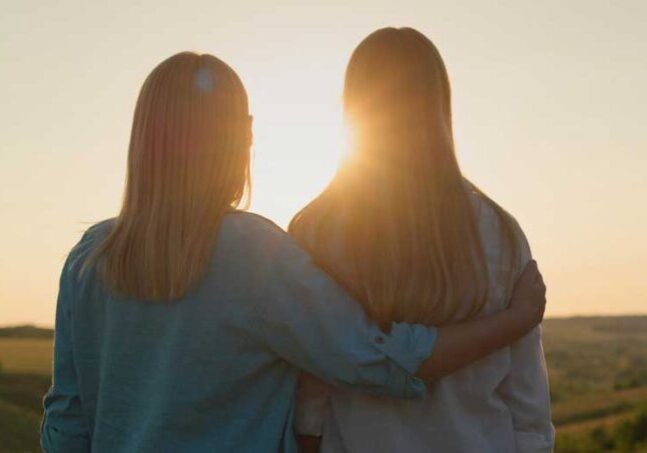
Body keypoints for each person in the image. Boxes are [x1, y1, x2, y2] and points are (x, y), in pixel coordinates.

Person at [41, 52, 546, 453]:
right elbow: (381, 362)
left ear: (143, 140)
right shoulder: (253, 255)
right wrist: (515, 319)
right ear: (241, 137)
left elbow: (67, 421)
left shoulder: (88, 259)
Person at [291, 28, 554, 453]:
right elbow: (528, 408)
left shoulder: (318, 234)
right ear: (439, 105)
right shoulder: (501, 235)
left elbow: (309, 404)